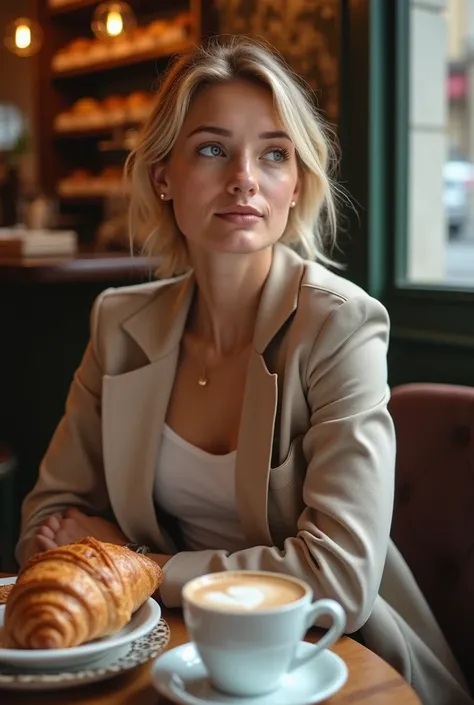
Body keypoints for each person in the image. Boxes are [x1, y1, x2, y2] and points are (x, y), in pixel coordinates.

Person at [16, 37, 471, 705]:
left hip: (331, 657)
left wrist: (143, 568)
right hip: (170, 652)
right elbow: (47, 520)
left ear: (297, 185)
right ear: (163, 175)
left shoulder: (341, 326)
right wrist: (118, 571)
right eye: (211, 148)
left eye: (273, 154)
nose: (244, 179)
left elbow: (339, 578)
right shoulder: (119, 323)